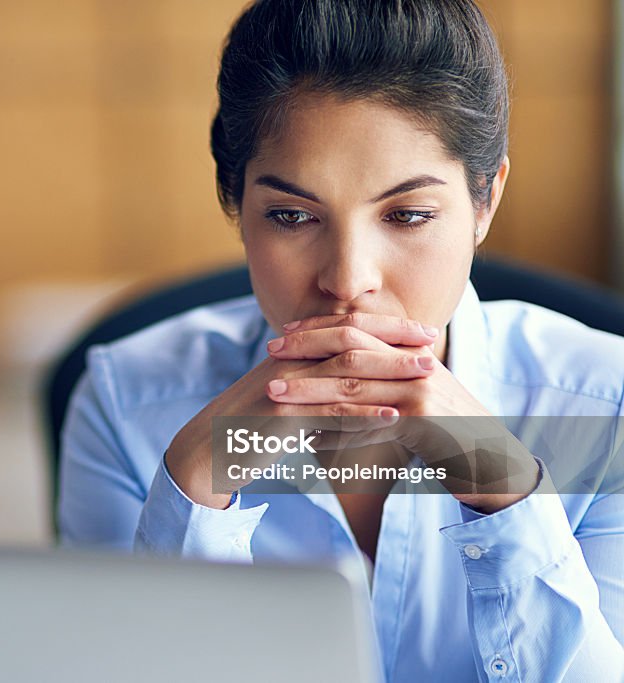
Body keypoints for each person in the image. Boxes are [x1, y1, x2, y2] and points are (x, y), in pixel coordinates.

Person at [58, 0, 624, 681]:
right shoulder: (125, 402)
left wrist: (505, 489)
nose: (348, 280)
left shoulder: (607, 406)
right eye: (292, 216)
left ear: (484, 201)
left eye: (408, 214)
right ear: (236, 204)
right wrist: (194, 487)